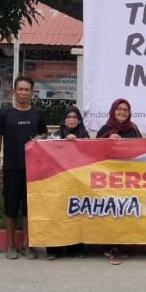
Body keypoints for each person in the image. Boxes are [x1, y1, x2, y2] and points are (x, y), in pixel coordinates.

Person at [0, 76, 48, 260]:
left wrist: (42, 137)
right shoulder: (4, 113)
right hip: (11, 168)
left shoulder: (38, 114)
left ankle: (27, 245)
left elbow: (44, 134)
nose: (23, 93)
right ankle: (10, 245)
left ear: (32, 92)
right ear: (14, 91)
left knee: (29, 209)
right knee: (11, 208)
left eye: (27, 90)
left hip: (33, 170)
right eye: (20, 89)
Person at [95, 98, 141, 264]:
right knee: (112, 212)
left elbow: (142, 150)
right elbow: (93, 153)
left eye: (126, 110)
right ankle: (112, 248)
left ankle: (119, 246)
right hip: (108, 179)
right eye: (119, 109)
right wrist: (108, 140)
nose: (122, 112)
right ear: (113, 110)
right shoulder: (105, 129)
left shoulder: (133, 129)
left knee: (125, 212)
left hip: (128, 179)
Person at [45, 107, 90, 259]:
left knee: (77, 214)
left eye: (75, 117)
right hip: (58, 182)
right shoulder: (55, 136)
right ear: (64, 120)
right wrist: (65, 142)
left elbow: (91, 156)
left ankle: (75, 247)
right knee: (57, 214)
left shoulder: (85, 136)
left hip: (78, 182)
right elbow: (47, 154)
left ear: (79, 120)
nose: (71, 119)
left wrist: (78, 143)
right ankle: (53, 249)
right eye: (68, 117)